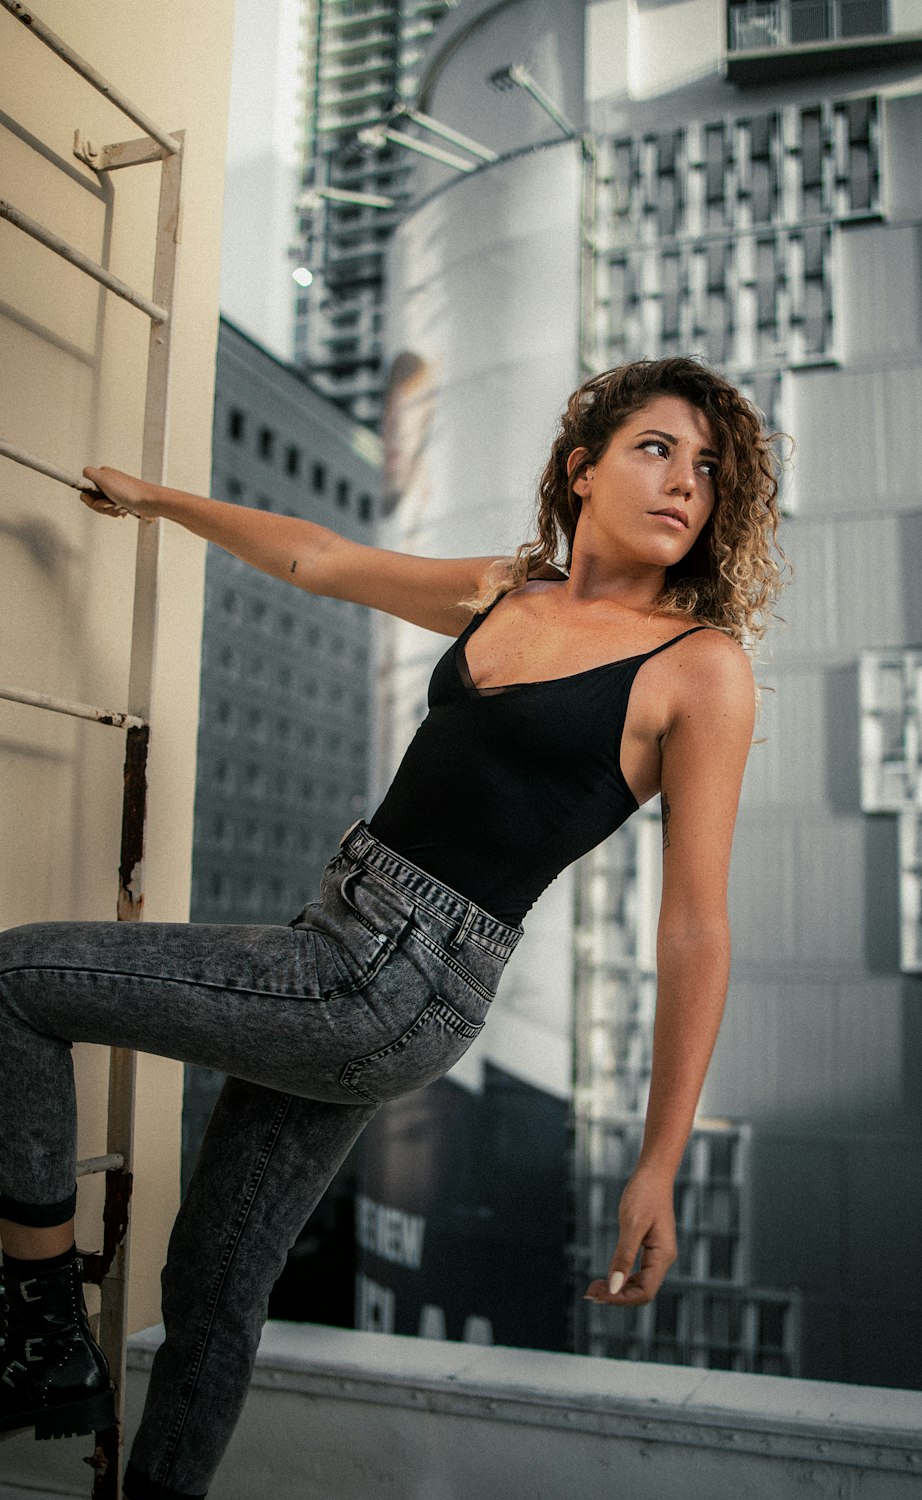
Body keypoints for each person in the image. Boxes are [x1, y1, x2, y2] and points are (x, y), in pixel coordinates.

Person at [0, 356, 784, 1499]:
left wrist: (656, 1163)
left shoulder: (698, 669)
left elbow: (696, 931)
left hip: (392, 980)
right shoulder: (510, 591)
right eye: (657, 448)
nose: (685, 484)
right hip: (344, 946)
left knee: (18, 976)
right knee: (216, 1285)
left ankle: (31, 1323)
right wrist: (159, 501)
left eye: (709, 469)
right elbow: (320, 560)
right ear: (582, 470)